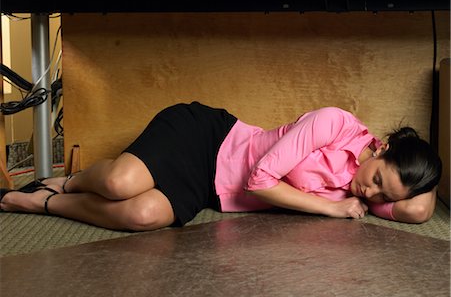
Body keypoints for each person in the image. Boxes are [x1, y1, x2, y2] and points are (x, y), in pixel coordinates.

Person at [0, 102, 442, 231]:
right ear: (381, 146)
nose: (370, 195)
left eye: (384, 197)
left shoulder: (376, 191)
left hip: (215, 192)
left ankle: (44, 204)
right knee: (119, 182)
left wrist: (421, 177)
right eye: (378, 179)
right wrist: (330, 208)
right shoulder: (334, 123)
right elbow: (260, 180)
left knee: (141, 215)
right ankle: (69, 180)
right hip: (209, 140)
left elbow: (419, 211)